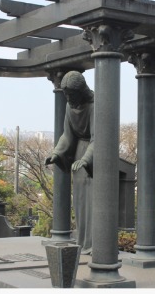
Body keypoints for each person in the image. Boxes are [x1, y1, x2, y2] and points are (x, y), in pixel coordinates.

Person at [46, 71, 96, 254]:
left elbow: (96, 138)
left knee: (92, 202)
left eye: (71, 94)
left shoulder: (95, 105)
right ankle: (82, 241)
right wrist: (56, 153)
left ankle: (93, 243)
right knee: (80, 202)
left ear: (80, 91)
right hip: (77, 156)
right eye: (66, 95)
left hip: (93, 159)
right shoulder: (69, 106)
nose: (68, 98)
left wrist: (85, 160)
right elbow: (67, 136)